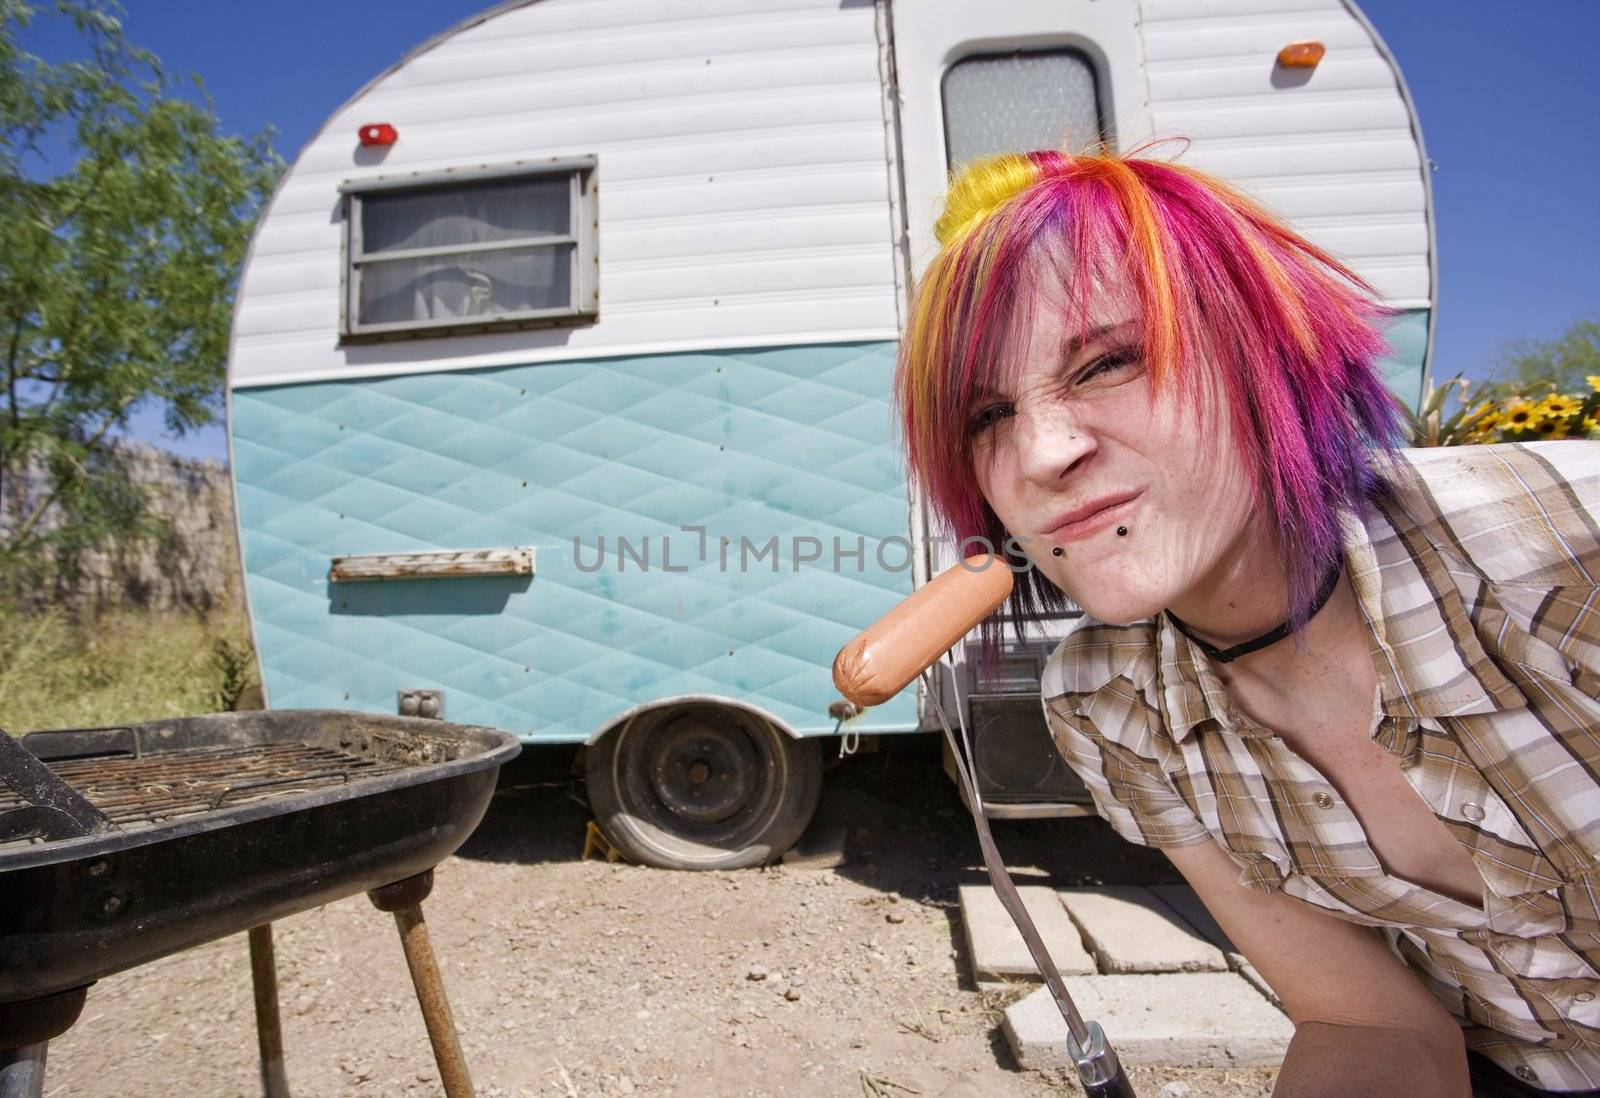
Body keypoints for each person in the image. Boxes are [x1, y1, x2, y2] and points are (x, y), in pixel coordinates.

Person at [893, 145, 1600, 1097]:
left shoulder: (1564, 553)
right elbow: (1371, 1023)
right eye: (986, 416)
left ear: (1262, 345)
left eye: (1106, 361)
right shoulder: (1111, 711)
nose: (1043, 455)